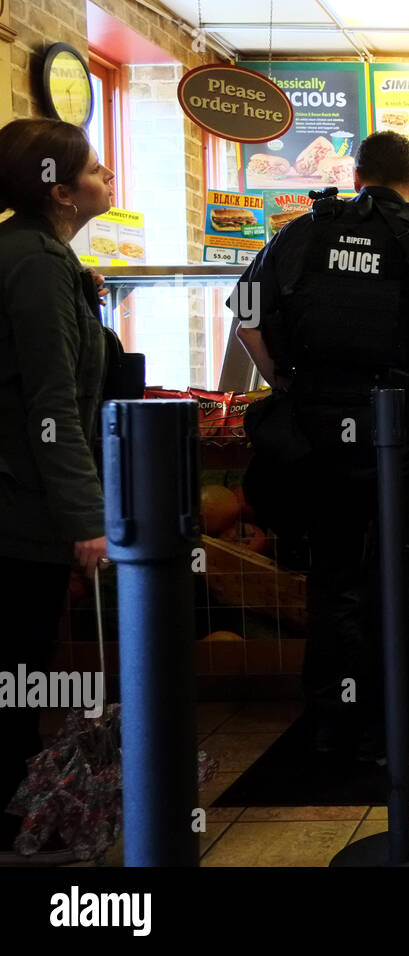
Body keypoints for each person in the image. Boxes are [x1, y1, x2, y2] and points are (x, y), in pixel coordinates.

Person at [230, 130, 409, 762]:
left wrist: (287, 383)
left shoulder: (300, 235)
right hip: (402, 434)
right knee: (403, 579)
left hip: (319, 438)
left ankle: (331, 722)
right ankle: (394, 725)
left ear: (355, 179)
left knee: (334, 580)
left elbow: (244, 318)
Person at [0, 119, 116, 849]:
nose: (109, 179)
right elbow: (50, 406)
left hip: (20, 498)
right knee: (17, 667)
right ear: (61, 190)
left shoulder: (38, 257)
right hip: (20, 509)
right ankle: (15, 814)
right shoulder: (36, 263)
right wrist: (87, 519)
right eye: (98, 171)